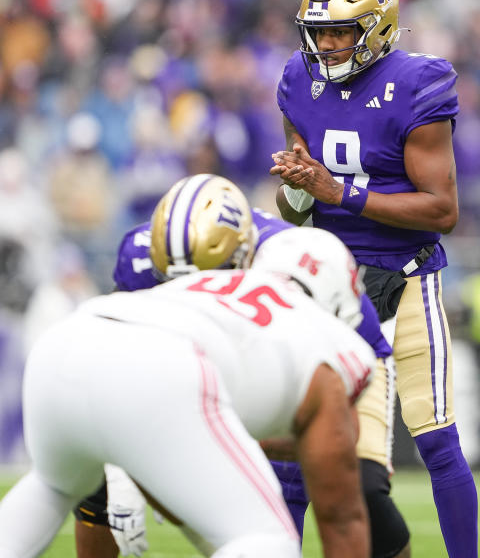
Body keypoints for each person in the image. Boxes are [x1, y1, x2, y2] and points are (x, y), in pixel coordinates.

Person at [74, 174, 401, 557]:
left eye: (210, 278)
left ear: (243, 255)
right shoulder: (142, 256)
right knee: (94, 470)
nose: (196, 294)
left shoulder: (296, 266)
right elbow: (116, 364)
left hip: (338, 361)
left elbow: (328, 412)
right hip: (230, 365)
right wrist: (120, 469)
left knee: (357, 490)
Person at [0, 227, 377, 558]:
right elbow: (341, 513)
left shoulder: (210, 286)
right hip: (161, 372)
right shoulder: (334, 343)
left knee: (52, 488)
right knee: (269, 541)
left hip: (69, 340)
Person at [270, 0, 478, 557]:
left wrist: (342, 192)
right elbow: (296, 208)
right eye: (320, 31)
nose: (328, 44)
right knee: (294, 444)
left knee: (436, 437)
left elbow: (441, 211)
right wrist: (298, 186)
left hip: (406, 276)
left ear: (379, 27)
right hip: (326, 282)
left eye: (342, 31)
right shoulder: (297, 81)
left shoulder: (418, 83)